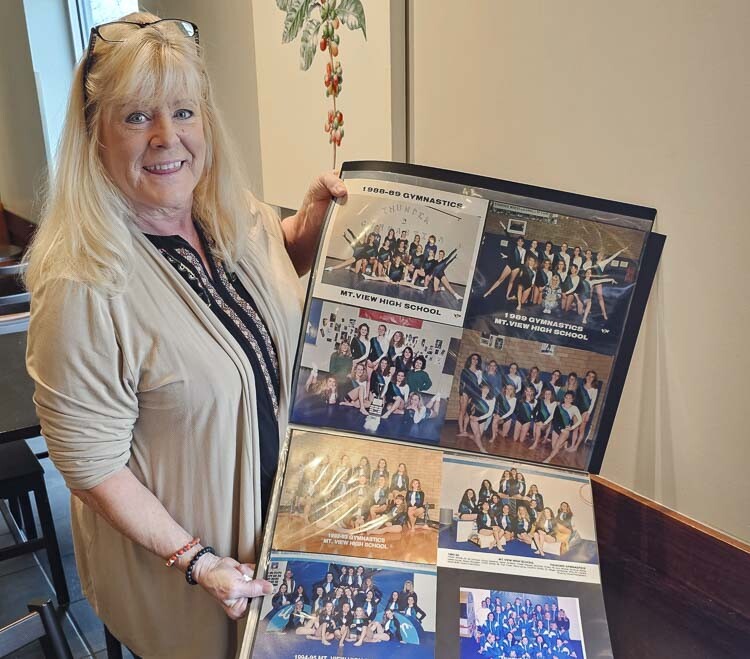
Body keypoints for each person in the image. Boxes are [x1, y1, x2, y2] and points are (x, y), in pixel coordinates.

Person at [23, 12, 349, 659]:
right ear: (95, 135)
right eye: (137, 116)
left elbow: (260, 278)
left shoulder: (226, 207)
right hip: (191, 578)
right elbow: (90, 468)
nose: (167, 137)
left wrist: (307, 229)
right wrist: (197, 560)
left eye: (184, 111)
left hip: (288, 529)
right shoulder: (80, 281)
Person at [458, 353, 484, 437]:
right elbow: (462, 383)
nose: (475, 360)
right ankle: (461, 430)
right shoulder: (465, 370)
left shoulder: (479, 372)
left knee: (468, 413)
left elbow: (479, 384)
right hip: (465, 392)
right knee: (462, 411)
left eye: (477, 359)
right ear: (470, 359)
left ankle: (465, 430)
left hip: (474, 393)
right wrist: (461, 394)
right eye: (473, 358)